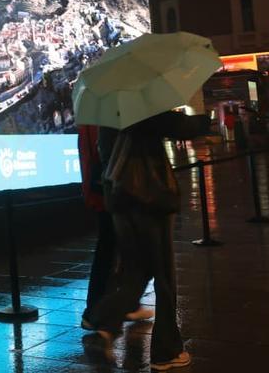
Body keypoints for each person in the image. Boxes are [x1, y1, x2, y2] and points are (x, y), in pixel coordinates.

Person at [85, 109, 209, 371]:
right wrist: (205, 119)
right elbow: (179, 126)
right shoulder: (141, 103)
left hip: (119, 198)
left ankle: (104, 327)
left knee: (135, 270)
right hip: (148, 196)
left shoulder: (108, 110)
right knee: (164, 277)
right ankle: (166, 351)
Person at [77, 124, 154, 331]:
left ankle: (121, 305)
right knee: (113, 250)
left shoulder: (95, 112)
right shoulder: (103, 117)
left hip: (106, 190)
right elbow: (100, 153)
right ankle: (98, 312)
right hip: (111, 191)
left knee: (116, 249)